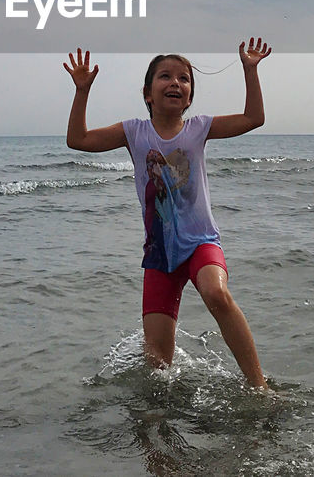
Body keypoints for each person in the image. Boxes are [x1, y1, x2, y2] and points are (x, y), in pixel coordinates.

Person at [64, 39, 272, 390]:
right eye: (165, 76)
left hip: (200, 243)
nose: (175, 83)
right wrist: (82, 91)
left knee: (216, 294)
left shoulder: (200, 128)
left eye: (184, 79)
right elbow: (78, 140)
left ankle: (260, 386)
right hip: (159, 254)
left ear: (189, 97)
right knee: (156, 367)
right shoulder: (133, 132)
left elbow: (254, 118)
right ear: (148, 93)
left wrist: (249, 70)